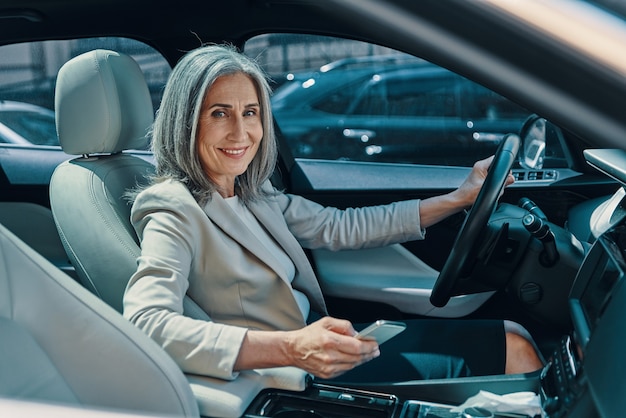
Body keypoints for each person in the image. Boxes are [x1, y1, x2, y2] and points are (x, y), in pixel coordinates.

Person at [123, 43, 543, 383]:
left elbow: (341, 227)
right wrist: (291, 347)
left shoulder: (251, 193)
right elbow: (147, 323)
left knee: (514, 335)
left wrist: (457, 198)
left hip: (323, 345)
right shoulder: (172, 208)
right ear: (185, 122)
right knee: (515, 347)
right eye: (219, 114)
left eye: (250, 112)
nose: (241, 132)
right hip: (291, 373)